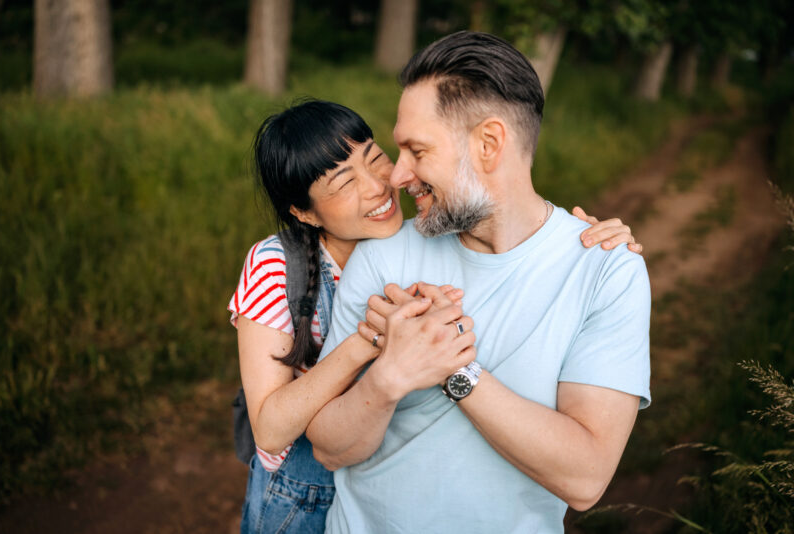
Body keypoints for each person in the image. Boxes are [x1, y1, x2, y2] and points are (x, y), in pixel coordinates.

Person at [229, 100, 642, 533]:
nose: (378, 186)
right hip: (299, 503)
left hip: (367, 491)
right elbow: (271, 430)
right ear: (304, 213)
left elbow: (511, 227)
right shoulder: (275, 266)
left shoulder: (422, 231)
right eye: (344, 183)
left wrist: (577, 242)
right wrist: (371, 338)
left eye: (374, 158)